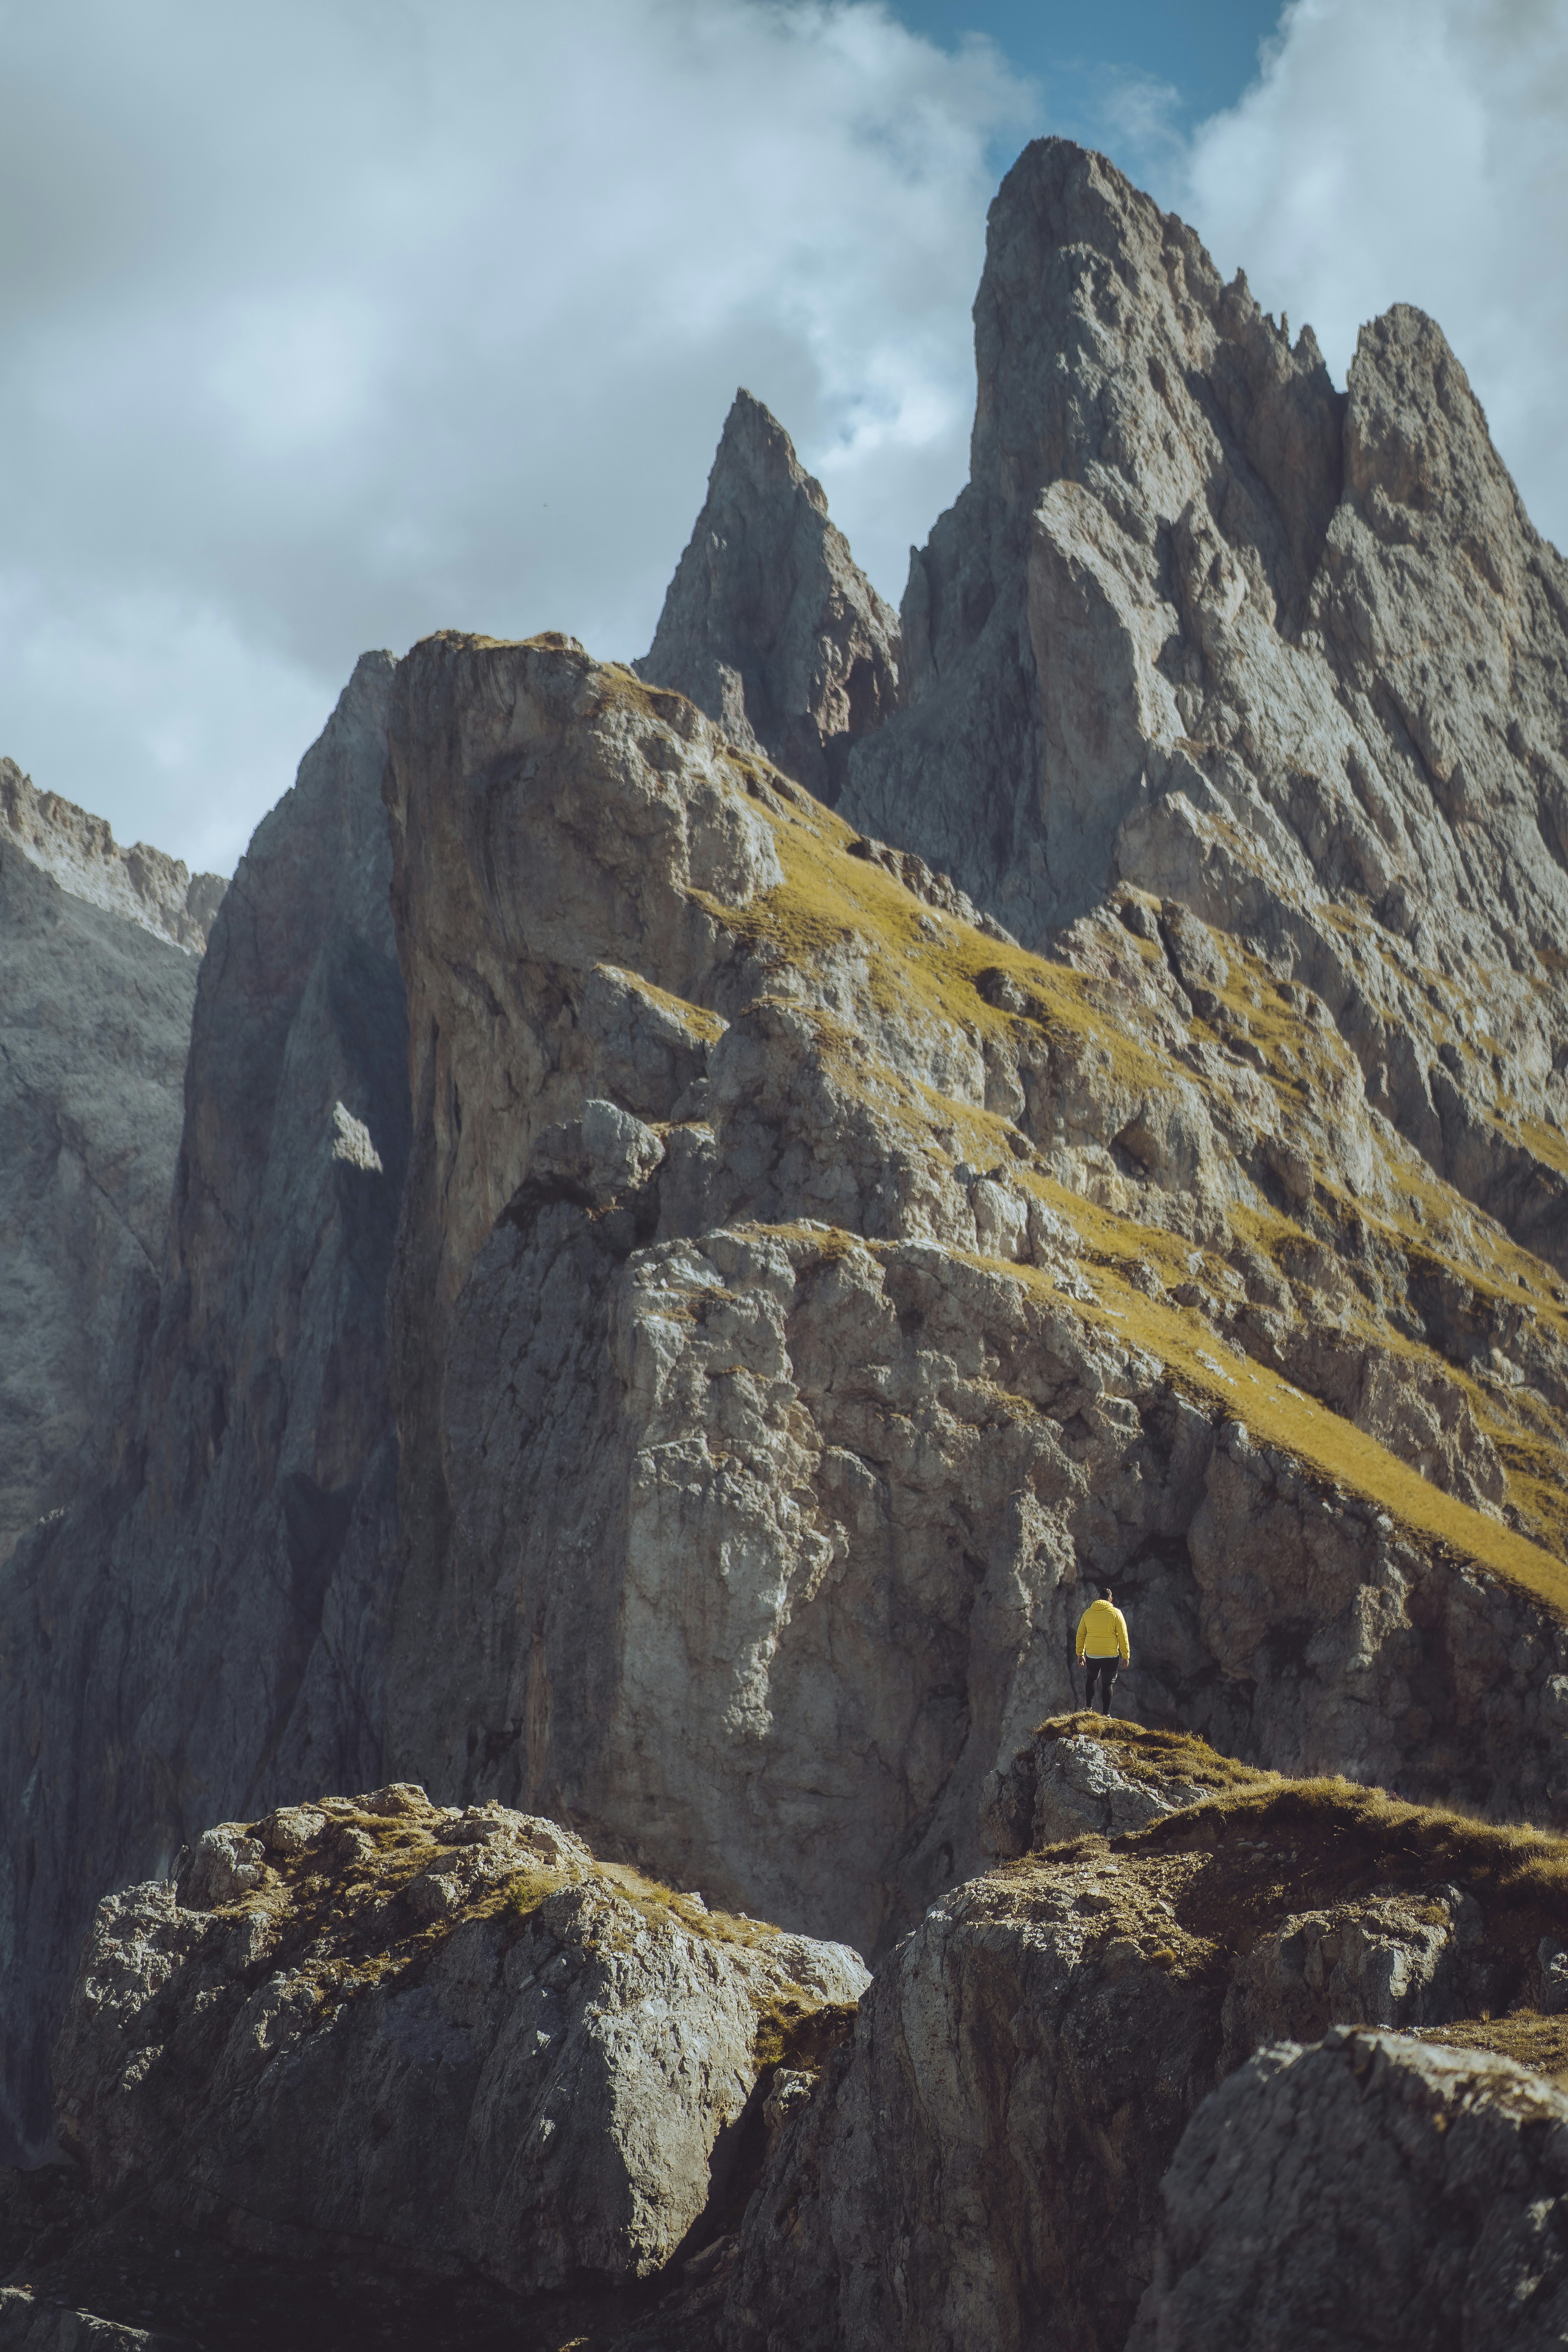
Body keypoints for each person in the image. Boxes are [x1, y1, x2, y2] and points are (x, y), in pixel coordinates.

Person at [1075, 1583, 1130, 1715]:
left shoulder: (1088, 1613)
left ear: (1099, 1598)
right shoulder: (1116, 1613)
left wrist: (1080, 1654)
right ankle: (1106, 1714)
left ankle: (1088, 1709)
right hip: (1110, 1655)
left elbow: (1081, 1634)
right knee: (1107, 1684)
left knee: (1091, 1679)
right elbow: (1123, 1636)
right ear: (1111, 1599)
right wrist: (1126, 1655)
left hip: (1092, 1654)